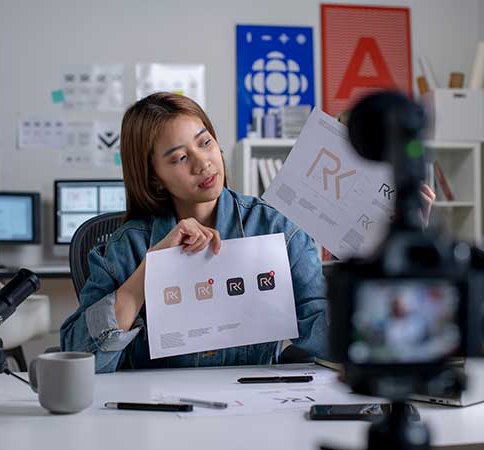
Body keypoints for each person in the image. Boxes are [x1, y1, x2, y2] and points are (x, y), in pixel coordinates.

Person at [60, 92, 435, 373]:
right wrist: (149, 273)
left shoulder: (278, 230)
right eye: (179, 158)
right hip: (155, 419)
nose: (202, 161)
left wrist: (396, 252)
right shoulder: (126, 248)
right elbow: (80, 362)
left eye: (205, 142)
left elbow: (331, 339)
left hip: (254, 412)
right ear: (153, 178)